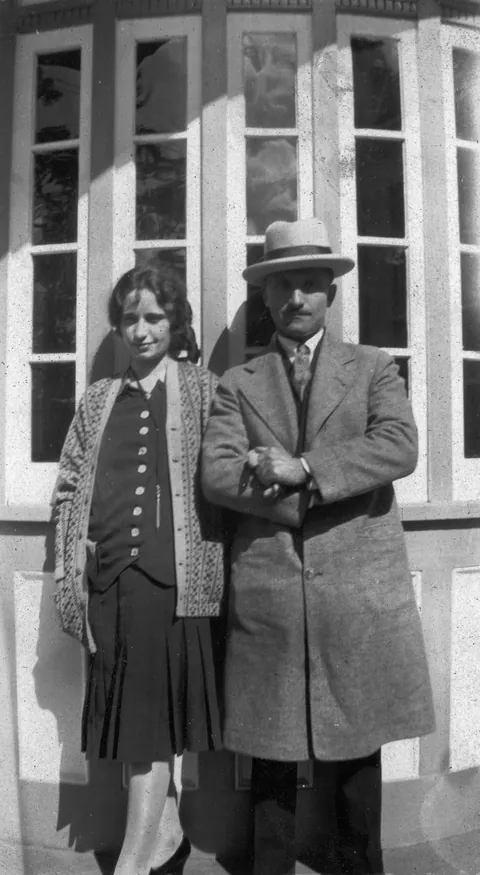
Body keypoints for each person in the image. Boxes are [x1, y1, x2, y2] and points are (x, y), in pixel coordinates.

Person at [202, 218, 435, 875]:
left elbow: (399, 444)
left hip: (358, 593)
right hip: (270, 594)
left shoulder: (374, 368)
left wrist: (301, 469)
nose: (296, 298)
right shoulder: (237, 383)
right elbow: (219, 474)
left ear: (331, 291)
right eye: (283, 285)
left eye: (310, 283)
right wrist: (287, 488)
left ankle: (361, 866)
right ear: (266, 297)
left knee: (358, 751)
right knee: (269, 748)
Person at [53, 263, 224, 875]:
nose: (142, 330)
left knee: (148, 725)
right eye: (130, 318)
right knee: (132, 719)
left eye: (154, 317)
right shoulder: (98, 399)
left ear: (175, 321)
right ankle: (168, 827)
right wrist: (74, 554)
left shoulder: (205, 389)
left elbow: (224, 476)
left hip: (170, 584)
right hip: (108, 583)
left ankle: (131, 863)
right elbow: (70, 484)